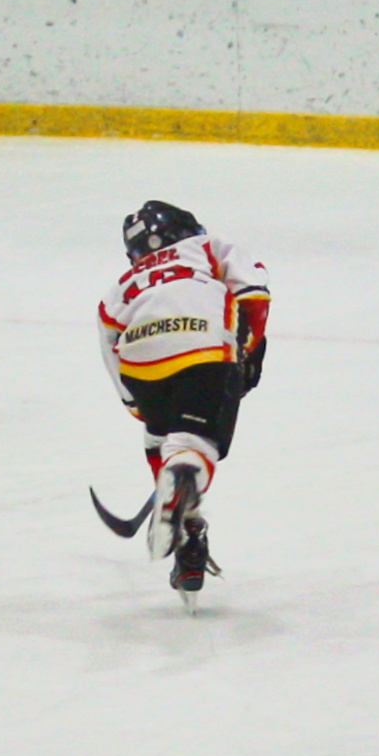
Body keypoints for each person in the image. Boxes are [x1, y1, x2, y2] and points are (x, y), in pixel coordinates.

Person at [97, 201, 270, 604]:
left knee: (161, 439)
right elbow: (253, 294)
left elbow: (108, 342)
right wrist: (246, 351)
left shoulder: (122, 284)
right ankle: (184, 483)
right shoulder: (206, 247)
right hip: (202, 348)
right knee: (195, 446)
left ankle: (189, 532)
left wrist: (140, 405)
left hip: (140, 364)